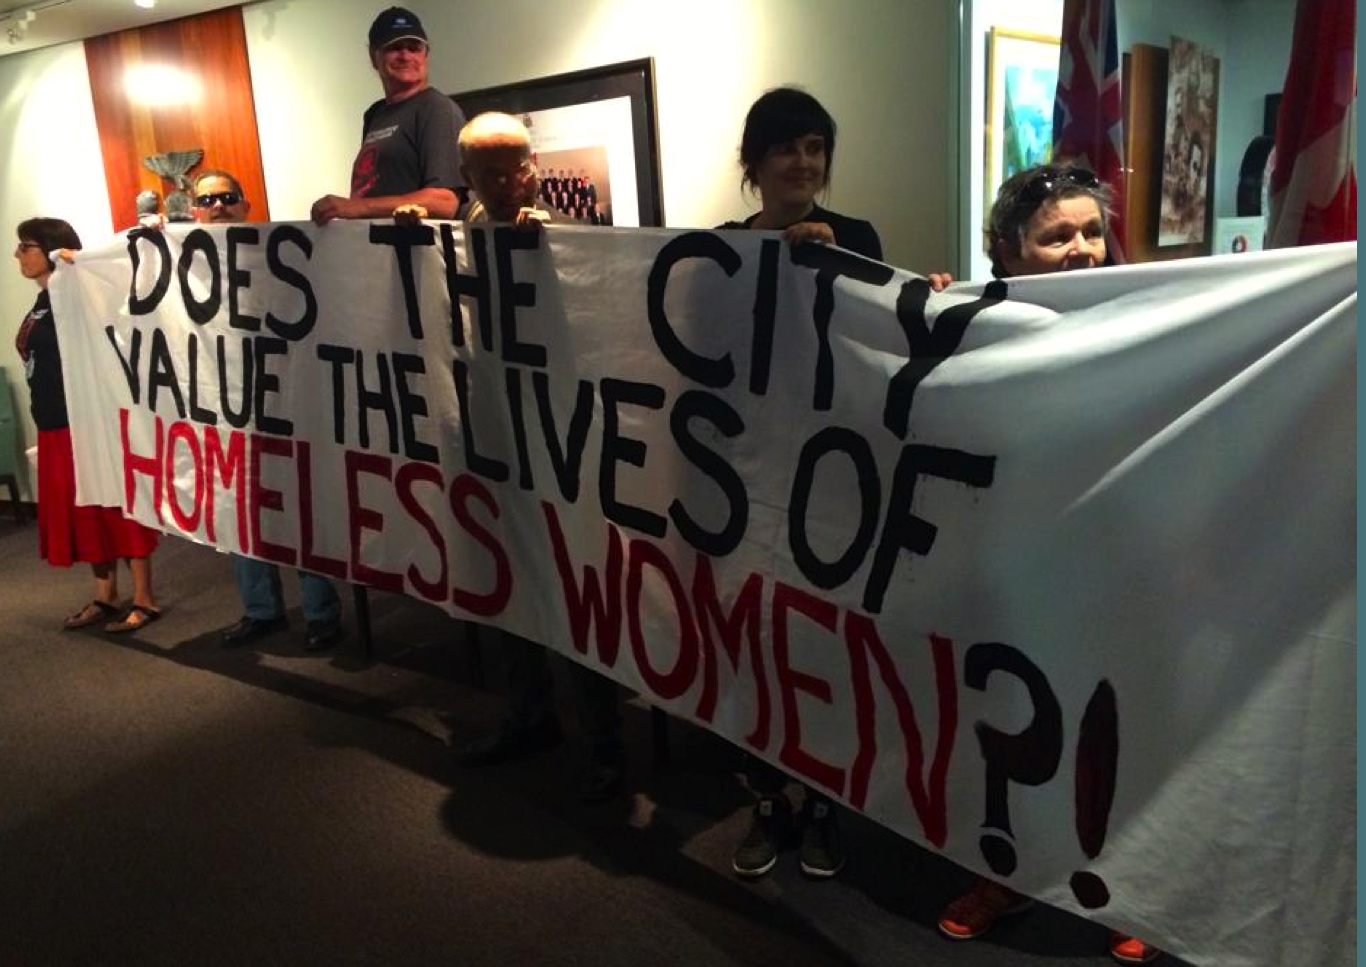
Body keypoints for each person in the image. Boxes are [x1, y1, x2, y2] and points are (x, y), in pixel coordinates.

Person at [932, 161, 1158, 966]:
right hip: (1012, 564)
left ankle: (1136, 892)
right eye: (1056, 235)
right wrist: (927, 313)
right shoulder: (975, 320)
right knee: (1009, 725)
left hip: (1111, 562)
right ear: (1009, 250)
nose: (1081, 248)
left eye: (1091, 230)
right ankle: (1007, 872)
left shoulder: (1154, 318)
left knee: (1115, 730)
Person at [718, 86, 882, 881]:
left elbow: (886, 339)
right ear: (754, 162)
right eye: (787, 146)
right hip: (747, 480)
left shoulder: (856, 237)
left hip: (828, 482)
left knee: (820, 643)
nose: (803, 161)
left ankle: (820, 803)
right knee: (752, 643)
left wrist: (840, 265)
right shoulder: (721, 247)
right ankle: (767, 800)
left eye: (816, 147)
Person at [451, 112, 627, 804]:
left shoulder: (562, 229)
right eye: (486, 173)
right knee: (511, 582)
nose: (502, 183)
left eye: (512, 169)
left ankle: (605, 744)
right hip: (496, 437)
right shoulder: (461, 231)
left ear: (532, 166)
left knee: (575, 589)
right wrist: (405, 238)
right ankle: (531, 714)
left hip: (561, 442)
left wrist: (554, 247)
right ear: (467, 177)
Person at [183, 169, 346, 652]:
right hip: (225, 407)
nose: (218, 206)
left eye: (227, 197)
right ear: (194, 209)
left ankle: (321, 613)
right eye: (207, 199)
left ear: (246, 202)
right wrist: (73, 265)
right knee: (240, 517)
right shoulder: (182, 262)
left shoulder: (286, 251)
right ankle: (262, 611)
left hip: (288, 404)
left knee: (300, 513)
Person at [13, 218, 162, 633]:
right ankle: (105, 594)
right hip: (54, 422)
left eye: (26, 246)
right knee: (86, 511)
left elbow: (124, 279)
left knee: (115, 505)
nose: (18, 255)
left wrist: (148, 230)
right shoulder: (43, 301)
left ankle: (144, 598)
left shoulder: (81, 292)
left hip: (88, 421)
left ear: (51, 249)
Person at [309, 6, 465, 226]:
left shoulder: (436, 108)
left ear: (426, 54)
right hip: (377, 251)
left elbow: (444, 202)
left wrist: (355, 207)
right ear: (373, 57)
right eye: (394, 47)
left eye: (414, 48)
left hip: (416, 255)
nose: (405, 55)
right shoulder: (374, 114)